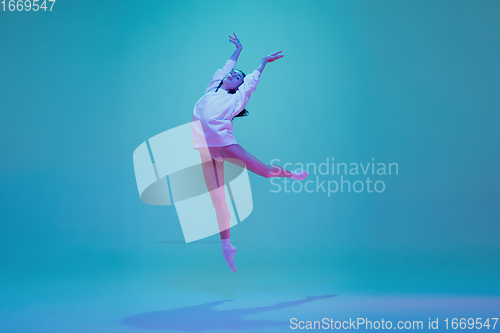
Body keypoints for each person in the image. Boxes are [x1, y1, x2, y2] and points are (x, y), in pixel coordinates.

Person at [190, 33, 309, 272]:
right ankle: (226, 247)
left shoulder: (236, 101)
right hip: (204, 150)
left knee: (264, 172)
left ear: (238, 88)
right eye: (232, 74)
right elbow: (225, 67)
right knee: (217, 200)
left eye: (236, 78)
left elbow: (251, 84)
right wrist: (238, 50)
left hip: (224, 145)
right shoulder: (212, 89)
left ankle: (291, 174)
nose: (232, 76)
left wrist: (262, 63)